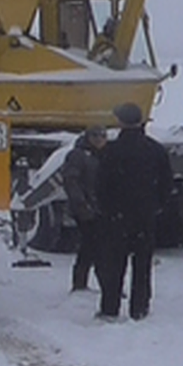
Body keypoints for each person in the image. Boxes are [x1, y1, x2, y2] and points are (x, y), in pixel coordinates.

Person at [94, 102, 174, 321]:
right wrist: (156, 205)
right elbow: (167, 183)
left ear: (120, 121)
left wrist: (106, 210)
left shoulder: (111, 151)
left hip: (116, 216)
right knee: (142, 264)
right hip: (145, 215)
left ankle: (110, 307)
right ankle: (140, 308)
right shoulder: (155, 150)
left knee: (114, 264)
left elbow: (100, 186)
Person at [63, 125, 107, 292]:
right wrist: (81, 205)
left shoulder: (104, 155)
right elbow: (71, 181)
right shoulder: (78, 155)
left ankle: (83, 283)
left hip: (100, 208)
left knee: (90, 247)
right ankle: (100, 284)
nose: (99, 139)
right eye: (95, 135)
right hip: (84, 209)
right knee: (94, 246)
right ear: (88, 137)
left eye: (102, 136)